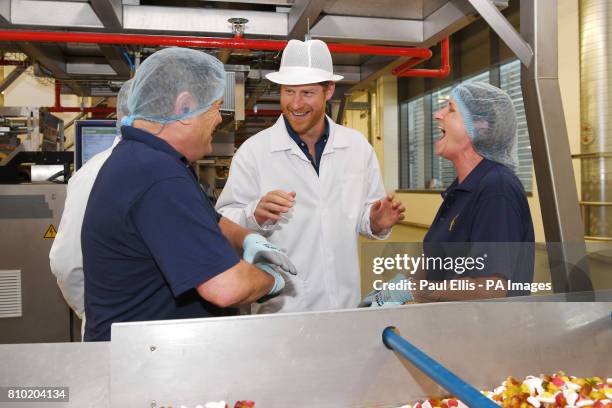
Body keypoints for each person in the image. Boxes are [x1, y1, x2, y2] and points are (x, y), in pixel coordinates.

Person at [81, 47, 297, 341]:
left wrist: (247, 237)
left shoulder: (142, 159)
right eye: (215, 107)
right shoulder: (158, 176)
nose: (220, 118)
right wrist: (270, 281)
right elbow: (226, 288)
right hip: (147, 363)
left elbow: (210, 220)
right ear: (184, 108)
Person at [216, 39, 405, 314]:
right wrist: (253, 214)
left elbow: (362, 215)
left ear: (329, 91)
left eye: (307, 93)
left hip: (344, 303)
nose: (295, 104)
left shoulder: (356, 147)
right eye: (288, 91)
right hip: (282, 309)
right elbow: (223, 220)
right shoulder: (255, 151)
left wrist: (375, 222)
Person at [361, 82, 534, 306]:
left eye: (451, 109)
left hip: (487, 335)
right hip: (452, 330)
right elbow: (439, 257)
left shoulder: (496, 189)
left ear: (481, 127)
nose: (438, 114)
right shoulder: (462, 190)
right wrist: (402, 283)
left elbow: (490, 287)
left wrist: (413, 291)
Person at [50, 79, 133, 336]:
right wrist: (96, 311)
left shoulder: (170, 170)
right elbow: (67, 263)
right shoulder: (95, 173)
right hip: (115, 329)